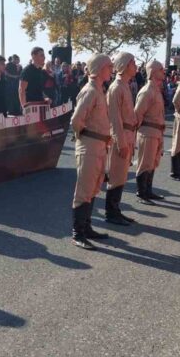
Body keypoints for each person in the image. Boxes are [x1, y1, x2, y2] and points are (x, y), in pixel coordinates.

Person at [69, 54, 113, 250]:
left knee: (94, 187)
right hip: (90, 146)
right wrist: (86, 138)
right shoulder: (90, 91)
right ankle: (78, 233)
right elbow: (76, 121)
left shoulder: (98, 90)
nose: (111, 70)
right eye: (108, 67)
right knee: (84, 189)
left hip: (99, 146)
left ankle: (86, 228)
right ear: (99, 68)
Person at [104, 52, 138, 226]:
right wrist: (121, 142)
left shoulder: (125, 85)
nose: (135, 65)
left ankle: (116, 210)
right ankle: (111, 213)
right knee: (116, 175)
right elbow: (114, 119)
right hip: (121, 137)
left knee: (122, 175)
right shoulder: (116, 87)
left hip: (128, 135)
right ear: (125, 65)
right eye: (133, 62)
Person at [134, 60, 167, 205]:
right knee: (145, 163)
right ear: (153, 72)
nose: (163, 72)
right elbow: (137, 114)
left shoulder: (156, 90)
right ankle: (141, 193)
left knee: (153, 162)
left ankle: (148, 190)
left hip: (157, 131)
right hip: (148, 132)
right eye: (161, 69)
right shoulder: (147, 91)